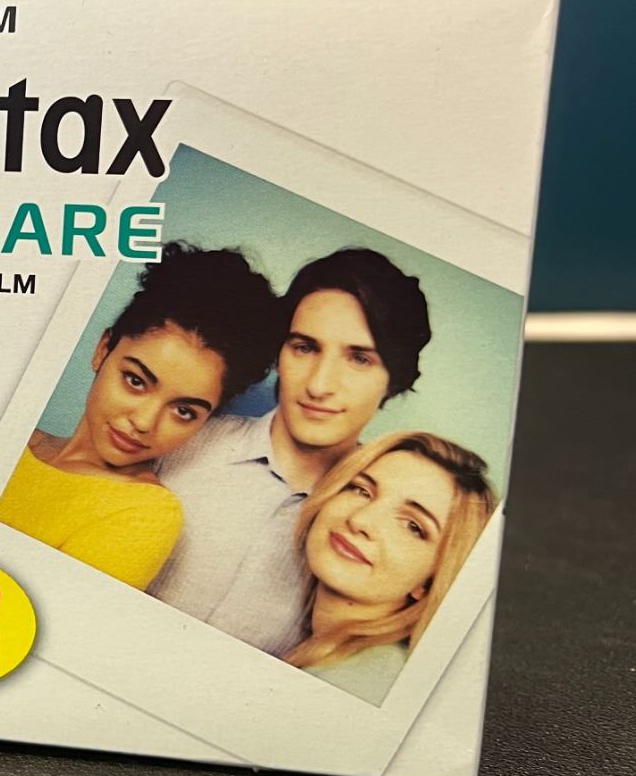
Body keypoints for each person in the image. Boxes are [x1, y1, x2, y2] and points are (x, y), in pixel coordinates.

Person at [149, 247, 433, 655]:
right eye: (305, 347)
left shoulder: (370, 532)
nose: (319, 384)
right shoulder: (181, 440)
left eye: (359, 358)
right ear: (280, 352)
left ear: (394, 379)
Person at [0, 243, 279, 589]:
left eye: (184, 411)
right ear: (103, 350)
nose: (144, 422)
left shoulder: (145, 514)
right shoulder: (3, 438)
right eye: (136, 380)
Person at [283, 431, 495, 705]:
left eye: (413, 526)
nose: (361, 520)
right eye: (362, 491)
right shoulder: (331, 654)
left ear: (431, 581)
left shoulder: (365, 683)